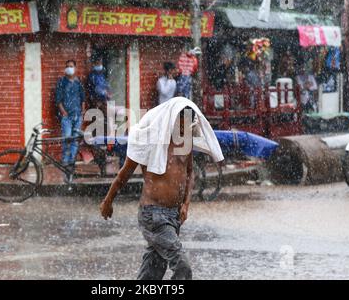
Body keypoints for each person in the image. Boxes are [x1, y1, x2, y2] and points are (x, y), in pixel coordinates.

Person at [100, 97, 224, 280]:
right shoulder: (149, 139)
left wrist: (186, 204)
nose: (183, 132)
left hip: (173, 215)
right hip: (153, 214)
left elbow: (190, 173)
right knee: (183, 267)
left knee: (153, 271)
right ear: (172, 121)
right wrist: (108, 201)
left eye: (187, 128)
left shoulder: (186, 140)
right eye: (181, 127)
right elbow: (123, 174)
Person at [56, 60, 86, 167]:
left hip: (78, 115)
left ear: (75, 68)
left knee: (75, 139)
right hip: (67, 117)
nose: (69, 68)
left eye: (71, 66)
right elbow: (58, 100)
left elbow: (83, 98)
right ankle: (65, 160)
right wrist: (63, 112)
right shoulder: (62, 82)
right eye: (67, 66)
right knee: (67, 138)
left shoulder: (78, 82)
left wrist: (82, 111)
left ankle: (72, 160)